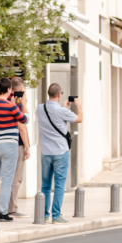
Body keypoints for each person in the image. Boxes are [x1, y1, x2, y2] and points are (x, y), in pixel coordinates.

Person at [0, 77, 27, 222]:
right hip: (9, 146)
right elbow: (24, 119)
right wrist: (21, 103)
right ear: (9, 90)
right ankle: (2, 211)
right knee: (7, 179)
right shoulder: (11, 106)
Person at [38, 83, 82, 224]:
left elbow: (54, 115)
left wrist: (64, 107)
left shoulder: (40, 108)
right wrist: (78, 105)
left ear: (48, 93)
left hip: (46, 152)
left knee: (45, 185)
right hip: (60, 152)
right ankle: (56, 216)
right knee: (59, 185)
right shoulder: (62, 112)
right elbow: (79, 119)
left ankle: (44, 215)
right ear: (59, 95)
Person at [7, 78, 31, 218]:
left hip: (6, 143)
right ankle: (12, 208)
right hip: (17, 143)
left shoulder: (5, 100)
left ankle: (6, 207)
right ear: (21, 88)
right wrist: (27, 147)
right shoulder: (17, 102)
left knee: (7, 177)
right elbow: (23, 124)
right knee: (16, 178)